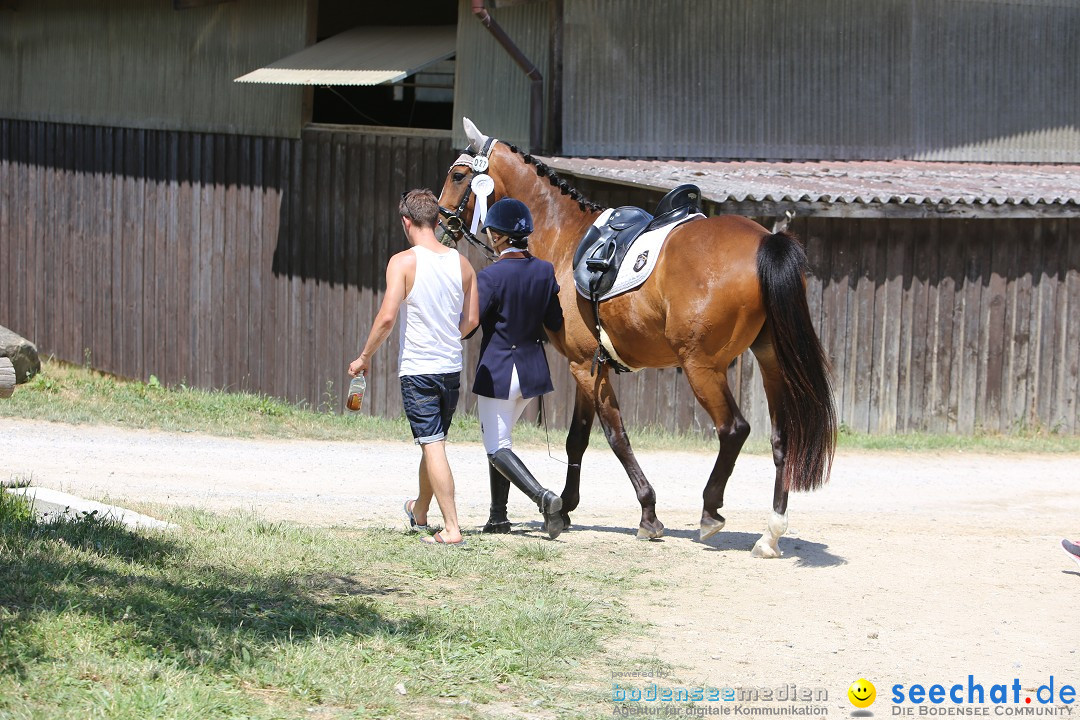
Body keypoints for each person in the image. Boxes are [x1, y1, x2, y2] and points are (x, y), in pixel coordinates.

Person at [348, 189, 479, 546]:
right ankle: (420, 511)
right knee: (432, 440)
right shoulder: (463, 263)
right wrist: (446, 333)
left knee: (433, 445)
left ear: (406, 222)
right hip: (451, 368)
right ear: (437, 221)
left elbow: (388, 317)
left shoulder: (403, 262)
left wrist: (364, 357)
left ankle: (452, 528)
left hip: (419, 368)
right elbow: (471, 320)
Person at [470, 197, 566, 539]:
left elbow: (469, 326)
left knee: (496, 448)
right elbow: (555, 320)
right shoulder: (544, 271)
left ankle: (544, 498)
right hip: (531, 372)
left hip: (498, 371)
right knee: (501, 444)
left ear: (498, 236)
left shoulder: (491, 276)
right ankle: (498, 517)